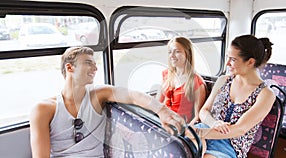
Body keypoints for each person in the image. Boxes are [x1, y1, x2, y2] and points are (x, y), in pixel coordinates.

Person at [29, 46, 185, 158]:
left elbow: (133, 96)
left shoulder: (99, 94)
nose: (95, 68)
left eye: (95, 63)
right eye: (88, 62)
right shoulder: (43, 109)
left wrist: (162, 110)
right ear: (70, 68)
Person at [188, 35, 276, 158]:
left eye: (233, 59)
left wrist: (196, 133)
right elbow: (204, 111)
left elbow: (239, 129)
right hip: (204, 130)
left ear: (250, 62)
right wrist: (213, 123)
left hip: (229, 147)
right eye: (228, 58)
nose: (227, 63)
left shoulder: (266, 95)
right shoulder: (223, 80)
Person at [156, 36, 207, 125]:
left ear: (187, 54)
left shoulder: (196, 82)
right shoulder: (166, 74)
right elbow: (157, 104)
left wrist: (186, 132)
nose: (172, 56)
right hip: (163, 122)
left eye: (177, 52)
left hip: (179, 126)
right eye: (170, 52)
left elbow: (197, 117)